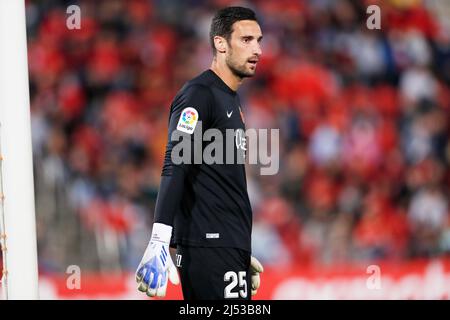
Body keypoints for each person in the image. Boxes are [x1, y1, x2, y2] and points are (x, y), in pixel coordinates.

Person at [135, 6, 264, 300]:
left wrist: (238, 246)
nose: (257, 49)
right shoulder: (199, 94)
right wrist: (159, 238)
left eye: (259, 40)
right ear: (220, 43)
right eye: (246, 40)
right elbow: (175, 163)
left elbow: (221, 180)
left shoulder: (231, 101)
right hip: (208, 246)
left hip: (226, 245)